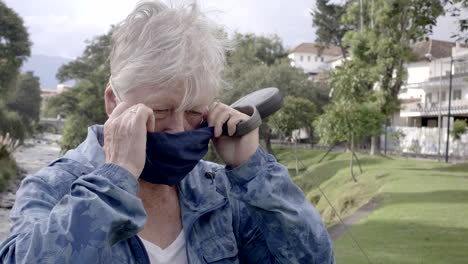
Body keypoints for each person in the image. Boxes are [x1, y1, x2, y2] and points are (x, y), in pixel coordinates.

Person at [0, 1, 335, 263]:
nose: (177, 128)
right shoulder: (51, 188)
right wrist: (115, 179)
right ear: (112, 100)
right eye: (159, 110)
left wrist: (254, 172)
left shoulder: (221, 191)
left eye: (193, 111)